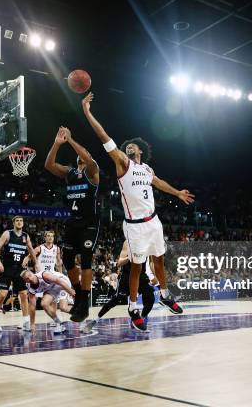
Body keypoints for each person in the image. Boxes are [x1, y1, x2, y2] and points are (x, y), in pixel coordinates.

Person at [82, 92, 194, 331]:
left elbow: (159, 182)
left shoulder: (147, 168)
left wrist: (177, 193)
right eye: (127, 146)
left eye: (133, 145)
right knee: (136, 267)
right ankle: (134, 308)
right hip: (134, 226)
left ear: (140, 150)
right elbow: (104, 137)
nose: (129, 146)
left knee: (160, 260)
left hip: (153, 221)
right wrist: (88, 112)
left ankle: (165, 294)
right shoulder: (123, 163)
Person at [44, 126, 100, 322]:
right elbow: (49, 164)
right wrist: (57, 144)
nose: (80, 156)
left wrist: (72, 139)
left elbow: (86, 155)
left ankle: (84, 300)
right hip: (73, 222)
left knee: (85, 257)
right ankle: (79, 296)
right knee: (67, 259)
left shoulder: (93, 172)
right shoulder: (69, 172)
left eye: (83, 154)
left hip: (90, 223)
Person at [81, 240, 158, 333]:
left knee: (150, 298)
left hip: (141, 275)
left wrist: (156, 276)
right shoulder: (127, 242)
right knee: (116, 299)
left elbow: (151, 262)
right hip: (127, 276)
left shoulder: (148, 242)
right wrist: (129, 258)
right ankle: (96, 319)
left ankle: (139, 319)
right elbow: (119, 263)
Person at [0, 216, 36, 332]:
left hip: (20, 270)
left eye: (21, 221)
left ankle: (26, 321)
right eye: (17, 221)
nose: (19, 222)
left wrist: (31, 259)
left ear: (23, 223)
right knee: (2, 294)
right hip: (7, 268)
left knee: (23, 294)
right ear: (13, 223)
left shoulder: (26, 236)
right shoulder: (7, 234)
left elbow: (31, 249)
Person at [20, 269, 75, 334]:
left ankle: (80, 312)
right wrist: (32, 324)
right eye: (27, 279)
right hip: (52, 288)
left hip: (62, 282)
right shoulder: (30, 288)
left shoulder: (44, 275)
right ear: (25, 281)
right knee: (44, 304)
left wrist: (71, 292)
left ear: (33, 273)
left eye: (30, 275)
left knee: (63, 308)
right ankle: (59, 323)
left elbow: (59, 281)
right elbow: (32, 306)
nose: (30, 279)